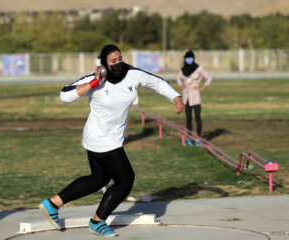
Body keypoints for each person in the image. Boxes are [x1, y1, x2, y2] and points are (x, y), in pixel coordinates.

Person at [39, 44, 185, 237]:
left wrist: (176, 97)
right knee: (125, 180)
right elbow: (65, 95)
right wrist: (93, 84)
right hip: (100, 139)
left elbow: (156, 83)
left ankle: (52, 204)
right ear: (104, 63)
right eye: (113, 61)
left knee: (98, 179)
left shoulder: (132, 74)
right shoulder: (96, 79)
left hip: (111, 138)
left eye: (120, 59)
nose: (118, 64)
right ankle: (97, 221)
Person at [176, 50, 213, 146]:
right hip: (186, 97)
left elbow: (209, 78)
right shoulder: (183, 69)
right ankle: (189, 138)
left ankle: (199, 138)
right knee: (188, 118)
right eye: (187, 58)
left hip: (195, 96)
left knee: (197, 117)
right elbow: (178, 78)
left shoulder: (199, 68)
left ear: (193, 58)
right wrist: (182, 86)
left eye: (190, 57)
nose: (189, 59)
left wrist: (201, 88)